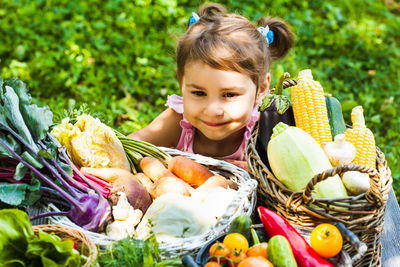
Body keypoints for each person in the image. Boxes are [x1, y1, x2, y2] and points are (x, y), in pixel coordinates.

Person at [128, 3, 293, 169]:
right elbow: (129, 147)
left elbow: (291, 174)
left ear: (262, 88)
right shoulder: (177, 122)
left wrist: (255, 172)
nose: (213, 110)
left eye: (229, 95)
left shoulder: (265, 131)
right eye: (199, 93)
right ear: (181, 81)